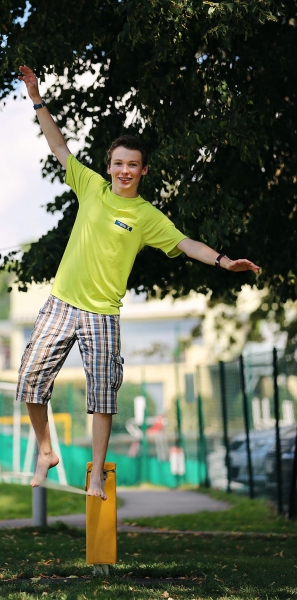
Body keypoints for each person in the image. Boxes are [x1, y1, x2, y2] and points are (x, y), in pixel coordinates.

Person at [16, 65, 260, 500]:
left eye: (132, 165)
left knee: (102, 396)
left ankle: (96, 479)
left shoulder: (147, 217)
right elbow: (57, 144)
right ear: (108, 167)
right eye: (118, 164)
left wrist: (224, 262)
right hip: (61, 302)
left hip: (103, 314)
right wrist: (37, 98)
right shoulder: (90, 186)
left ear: (143, 171)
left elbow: (186, 244)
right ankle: (47, 451)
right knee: (31, 379)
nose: (123, 170)